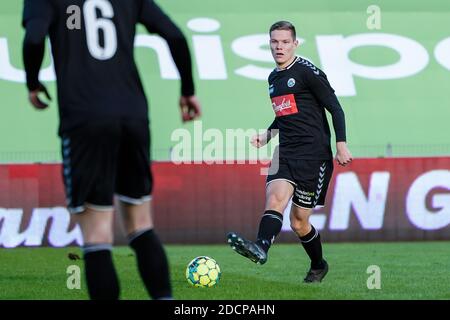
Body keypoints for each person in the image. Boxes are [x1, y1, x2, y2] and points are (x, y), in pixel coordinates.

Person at [22, 0, 201, 299]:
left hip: (84, 117)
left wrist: (32, 82)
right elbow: (175, 35)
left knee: (97, 234)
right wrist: (187, 90)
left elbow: (34, 37)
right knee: (141, 223)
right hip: (132, 114)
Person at [227, 21, 352, 283]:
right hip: (285, 151)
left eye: (285, 42)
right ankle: (261, 247)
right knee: (274, 200)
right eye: (274, 42)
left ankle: (318, 265)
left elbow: (335, 108)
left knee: (298, 223)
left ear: (295, 43)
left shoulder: (308, 72)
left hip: (313, 155)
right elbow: (285, 114)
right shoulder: (273, 78)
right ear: (269, 43)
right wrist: (268, 134)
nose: (279, 47)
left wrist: (341, 143)